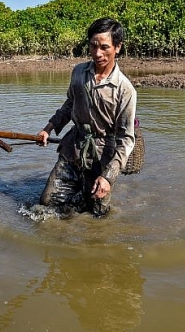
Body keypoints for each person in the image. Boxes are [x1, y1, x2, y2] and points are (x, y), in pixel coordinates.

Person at [37, 18, 137, 217]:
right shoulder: (79, 73)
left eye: (105, 47)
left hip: (102, 157)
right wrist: (47, 129)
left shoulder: (125, 89)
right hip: (73, 147)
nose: (98, 53)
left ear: (117, 47)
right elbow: (69, 105)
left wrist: (108, 177)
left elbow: (126, 139)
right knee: (45, 204)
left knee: (98, 214)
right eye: (93, 46)